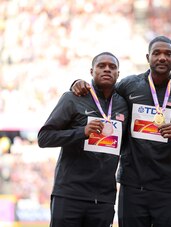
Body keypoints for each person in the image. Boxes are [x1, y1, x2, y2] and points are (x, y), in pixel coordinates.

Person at [71, 36, 171, 227]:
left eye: (168, 54)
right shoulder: (128, 85)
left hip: (169, 188)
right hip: (132, 186)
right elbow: (101, 93)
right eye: (157, 53)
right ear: (148, 57)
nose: (162, 58)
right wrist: (77, 83)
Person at [38, 52, 129, 227]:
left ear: (118, 74)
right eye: (101, 66)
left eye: (112, 67)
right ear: (91, 71)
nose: (107, 70)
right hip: (70, 195)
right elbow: (44, 138)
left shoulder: (124, 104)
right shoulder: (73, 97)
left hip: (104, 199)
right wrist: (81, 132)